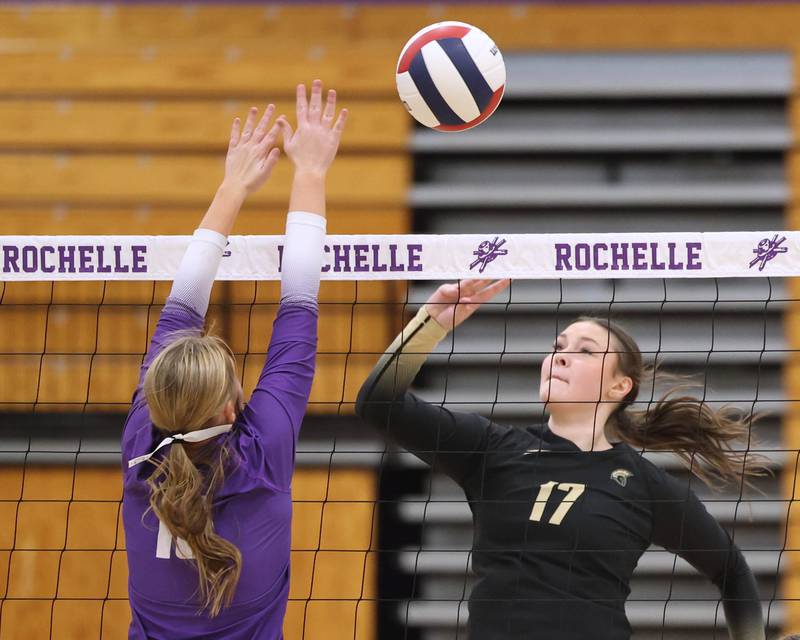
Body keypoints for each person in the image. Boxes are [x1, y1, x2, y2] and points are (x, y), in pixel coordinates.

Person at [356, 278, 768, 639]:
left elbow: (730, 569)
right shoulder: (491, 450)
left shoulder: (643, 486)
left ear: (619, 386)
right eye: (558, 346)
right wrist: (432, 321)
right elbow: (378, 403)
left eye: (585, 351)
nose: (562, 355)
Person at [121, 80, 346, 638]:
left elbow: (298, 304)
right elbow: (190, 308)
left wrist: (266, 180)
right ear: (228, 411)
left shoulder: (142, 451)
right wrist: (290, 175)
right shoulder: (253, 450)